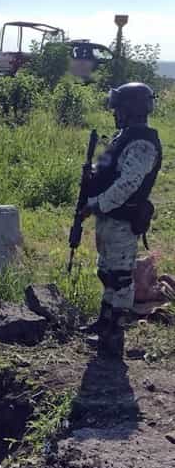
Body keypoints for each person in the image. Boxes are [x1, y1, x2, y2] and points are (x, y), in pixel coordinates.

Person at [80, 82, 162, 356]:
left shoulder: (142, 143)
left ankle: (114, 334)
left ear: (131, 110)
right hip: (110, 217)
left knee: (120, 277)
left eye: (120, 108)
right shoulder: (126, 136)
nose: (115, 113)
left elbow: (128, 184)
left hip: (122, 220)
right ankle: (104, 323)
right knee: (106, 271)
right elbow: (111, 170)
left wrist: (97, 205)